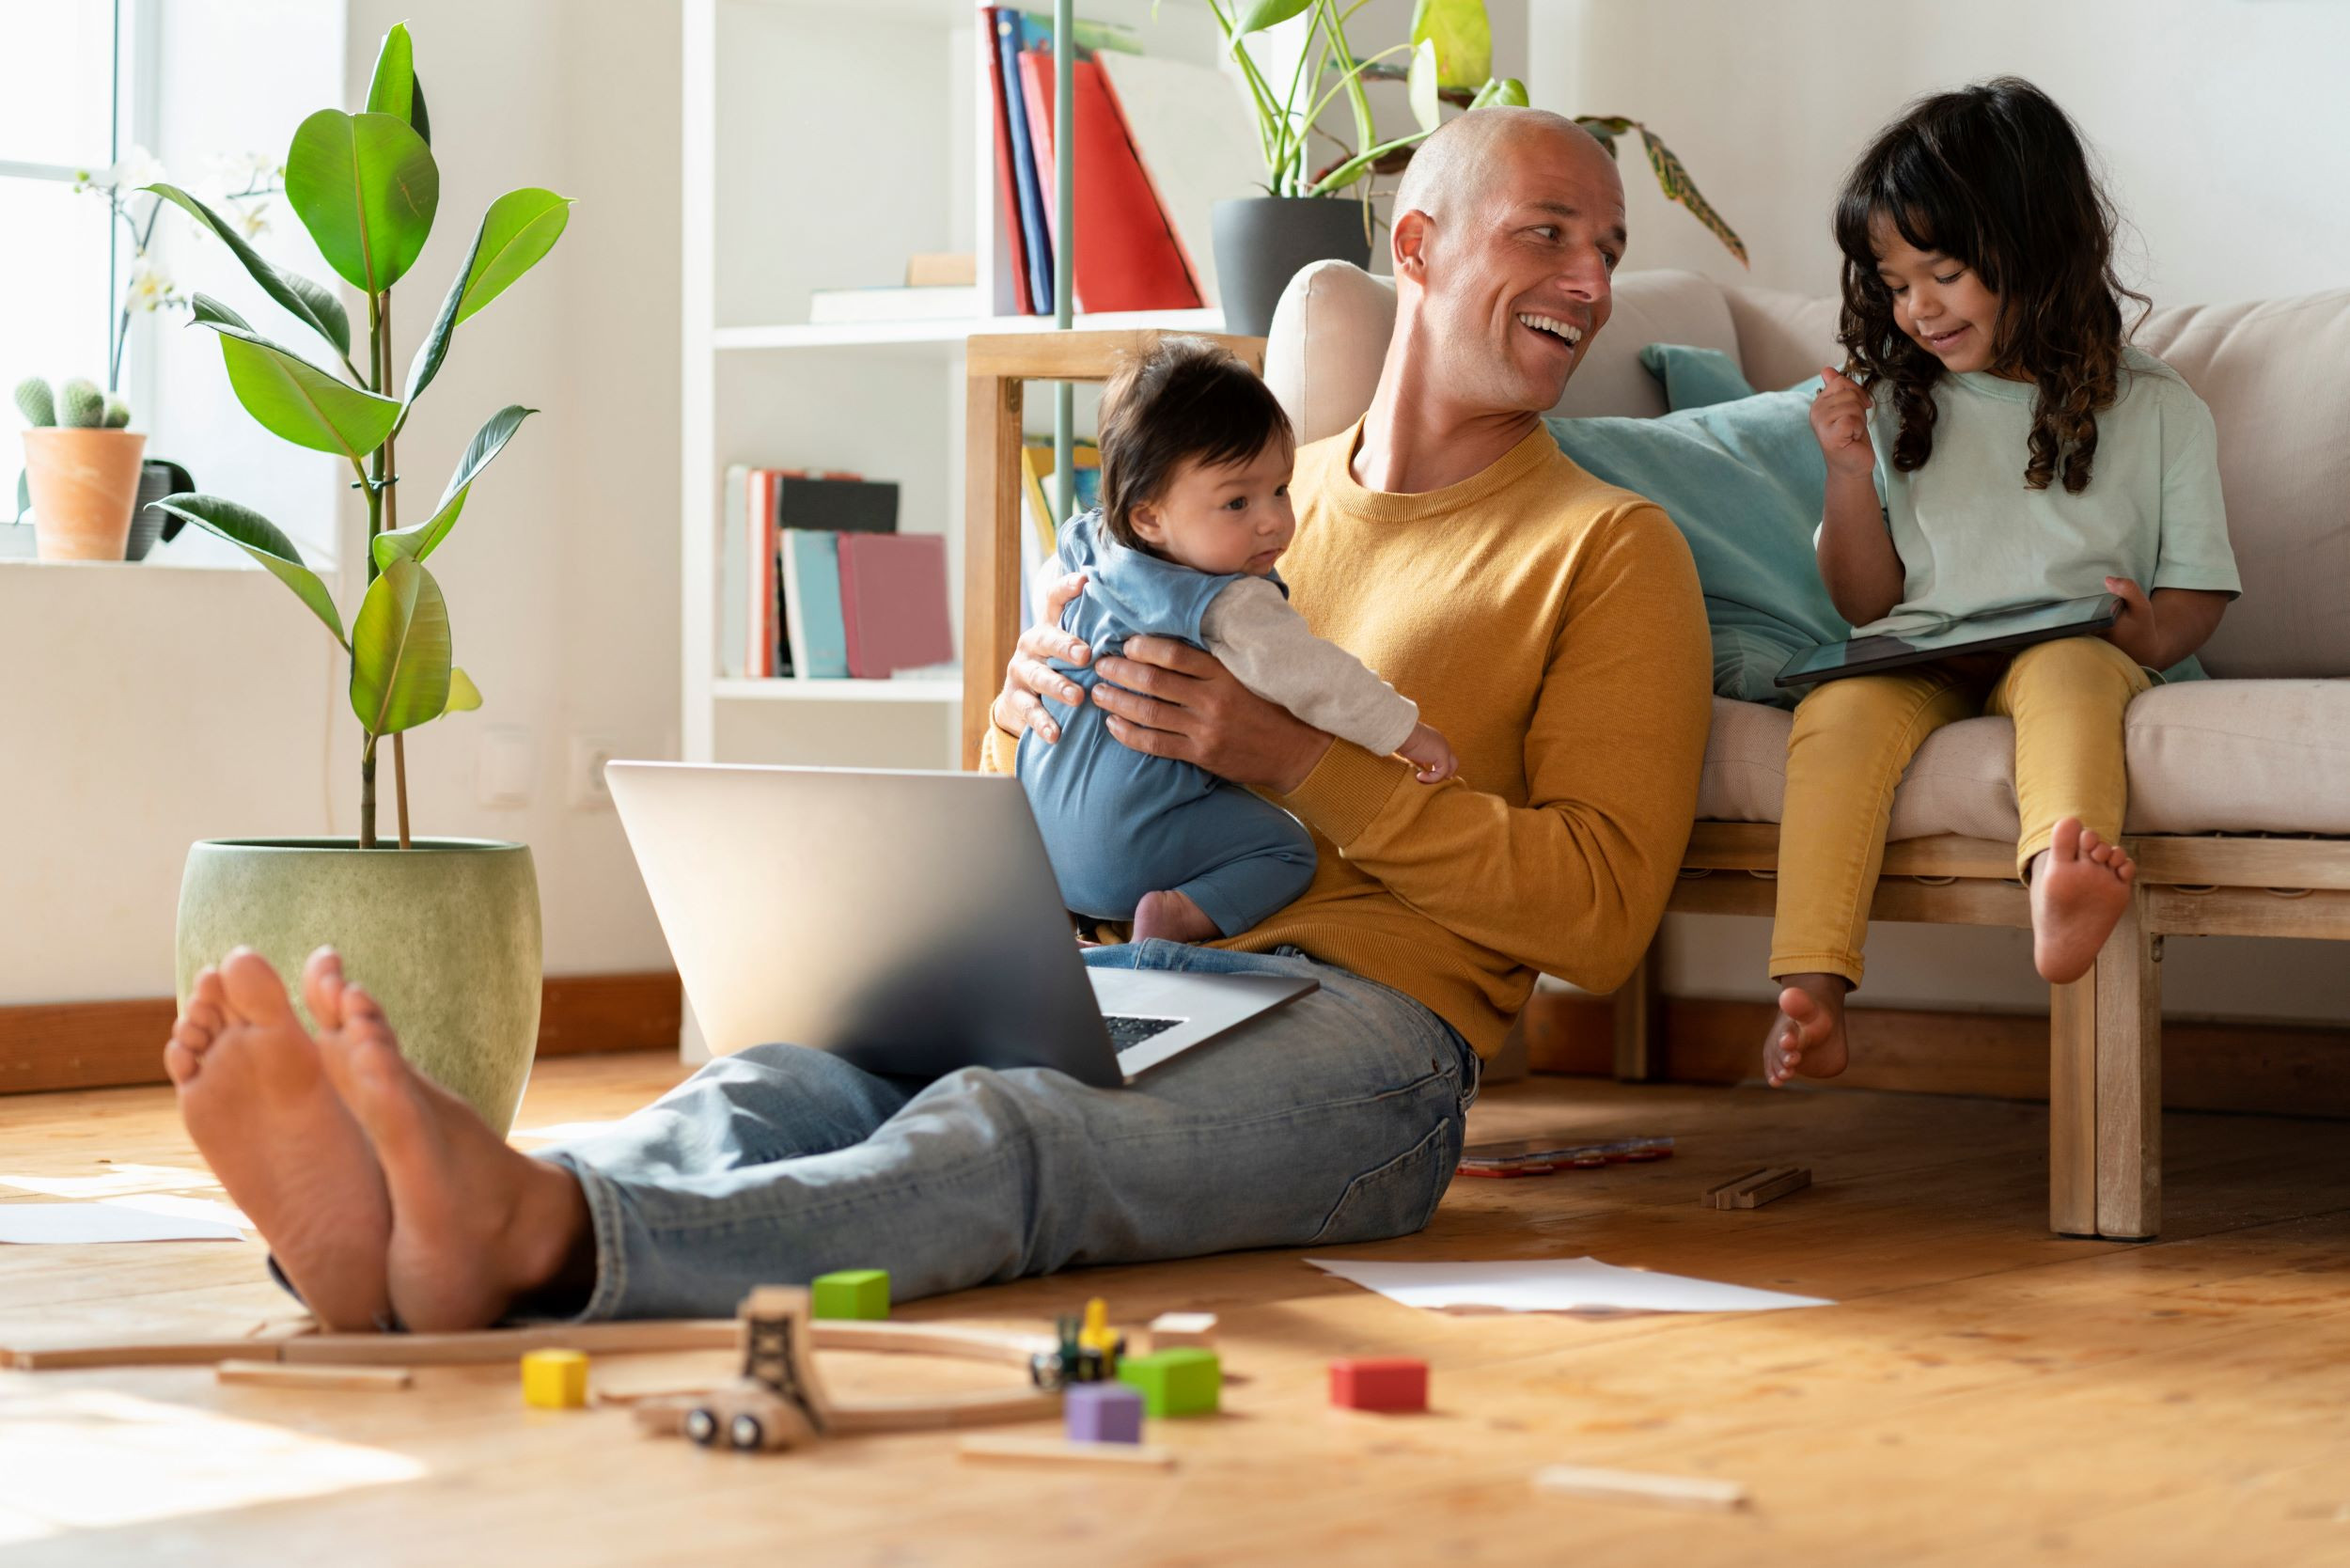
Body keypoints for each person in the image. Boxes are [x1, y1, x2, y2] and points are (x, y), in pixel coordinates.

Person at [163, 106, 1710, 1334]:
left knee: (1013, 1127)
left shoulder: (1608, 546)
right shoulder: (1233, 495)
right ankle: (412, 1218)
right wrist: (1025, 720)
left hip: (1371, 1046)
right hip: (1108, 972)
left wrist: (1301, 765)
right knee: (790, 1080)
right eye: (1549, 232)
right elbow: (1051, 801)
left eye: (1609, 247)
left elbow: (1601, 913)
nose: (1588, 279)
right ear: (1424, 246)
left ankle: (540, 1231)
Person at [1764, 79, 2238, 1088]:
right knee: (1840, 709)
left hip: (2081, 644)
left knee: (2067, 676)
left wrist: (2146, 638)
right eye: (1894, 282)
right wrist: (1849, 476)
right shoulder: (1901, 403)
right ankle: (1811, 985)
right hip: (1932, 646)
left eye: (1942, 272)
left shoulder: (2159, 411)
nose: (1916, 308)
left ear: (2035, 250)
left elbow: (2199, 592)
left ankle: (2060, 881)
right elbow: (1863, 601)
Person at [1018, 334, 1454, 948]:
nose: (1273, 519)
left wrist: (1045, 618)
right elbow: (1319, 679)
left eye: (1280, 488)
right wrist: (1406, 732)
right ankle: (1179, 915)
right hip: (1132, 847)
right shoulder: (1228, 600)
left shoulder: (1087, 544)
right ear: (1149, 517)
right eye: (1237, 502)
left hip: (1039, 849)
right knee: (1287, 851)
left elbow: (1049, 577)